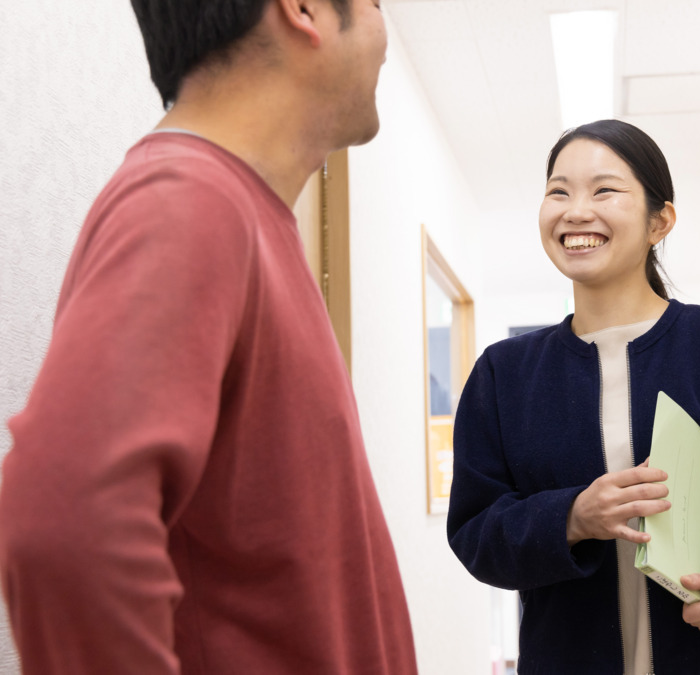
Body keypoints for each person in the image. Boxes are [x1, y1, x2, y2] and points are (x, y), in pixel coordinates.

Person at [0, 1, 417, 673]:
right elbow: (61, 520)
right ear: (305, 9)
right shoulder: (189, 199)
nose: (382, 27)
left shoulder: (241, 213)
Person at [447, 119, 700, 674]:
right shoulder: (504, 374)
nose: (576, 210)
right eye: (558, 191)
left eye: (603, 190)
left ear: (660, 221)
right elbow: (475, 530)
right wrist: (572, 516)